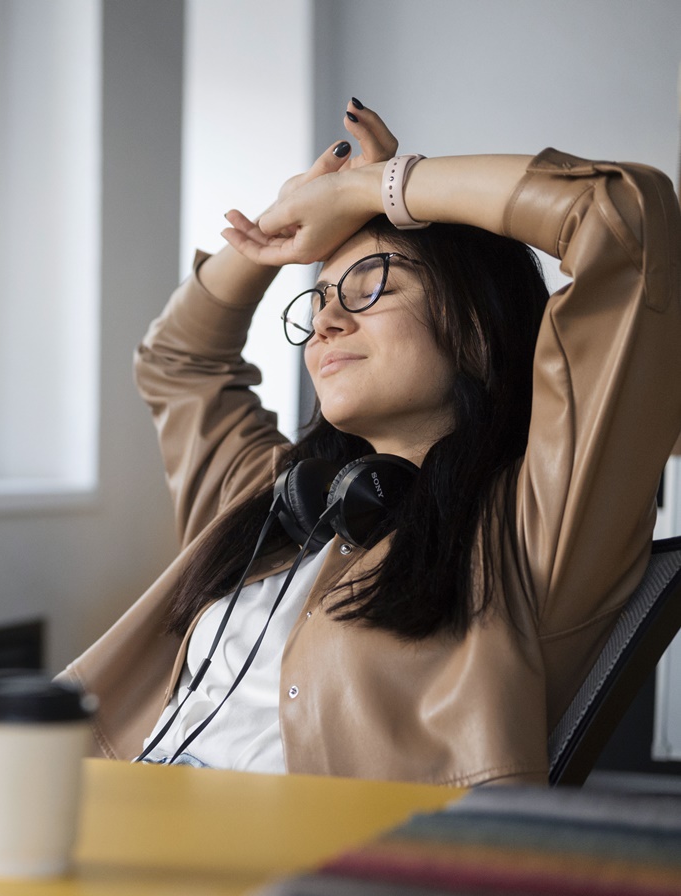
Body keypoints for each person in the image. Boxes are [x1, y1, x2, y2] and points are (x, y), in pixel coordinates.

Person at [57, 100, 681, 786]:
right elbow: (175, 360)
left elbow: (626, 222)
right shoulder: (278, 501)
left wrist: (367, 189)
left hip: (321, 874)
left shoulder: (537, 522)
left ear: (476, 328)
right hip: (108, 811)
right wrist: (278, 231)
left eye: (370, 285)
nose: (325, 320)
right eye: (321, 296)